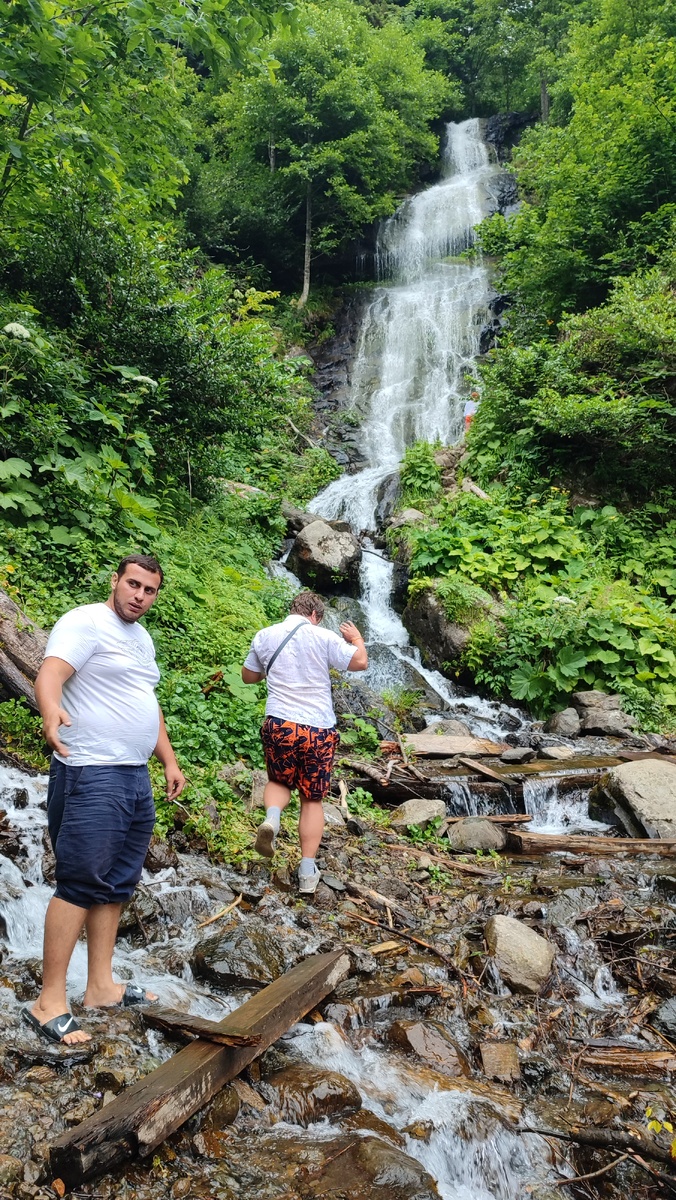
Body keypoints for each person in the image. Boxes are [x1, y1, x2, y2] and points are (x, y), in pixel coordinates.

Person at [24, 554, 186, 1045]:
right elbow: (50, 674)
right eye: (133, 584)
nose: (140, 595)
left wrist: (168, 759)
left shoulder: (142, 640)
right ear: (115, 581)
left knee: (116, 883)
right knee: (80, 881)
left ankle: (100, 987)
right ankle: (48, 1001)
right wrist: (50, 713)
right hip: (90, 771)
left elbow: (147, 702)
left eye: (149, 590)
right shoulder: (86, 622)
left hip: (134, 775)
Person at [241, 591, 368, 894]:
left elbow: (248, 677)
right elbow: (360, 662)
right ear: (315, 615)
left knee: (279, 781)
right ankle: (308, 872)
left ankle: (272, 819)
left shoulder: (265, 635)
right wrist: (357, 639)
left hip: (280, 724)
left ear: (292, 610)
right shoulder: (323, 636)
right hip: (318, 730)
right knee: (311, 800)